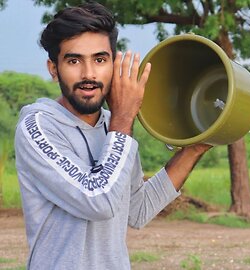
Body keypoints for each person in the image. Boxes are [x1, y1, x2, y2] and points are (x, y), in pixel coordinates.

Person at [14, 2, 211, 269]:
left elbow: (138, 209)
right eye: (74, 61)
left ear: (113, 64)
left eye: (100, 59)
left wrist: (194, 150)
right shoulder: (37, 126)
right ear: (53, 69)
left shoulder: (114, 125)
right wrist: (124, 119)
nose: (89, 74)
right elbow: (97, 202)